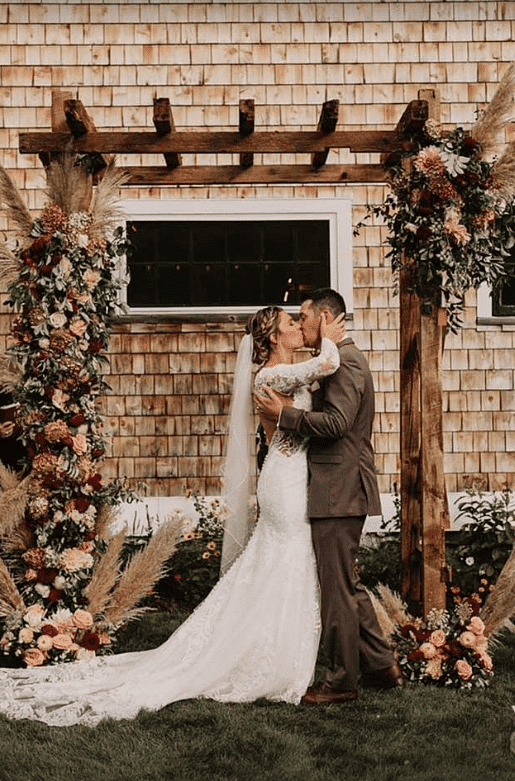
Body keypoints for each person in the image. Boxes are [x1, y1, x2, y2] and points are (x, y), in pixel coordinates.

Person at [0, 305, 345, 727]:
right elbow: (329, 361)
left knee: (283, 562)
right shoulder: (270, 376)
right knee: (288, 558)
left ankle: (274, 649)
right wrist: (330, 330)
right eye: (292, 324)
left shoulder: (293, 372)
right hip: (285, 482)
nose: (299, 326)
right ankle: (270, 660)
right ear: (273, 337)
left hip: (294, 477)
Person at [256, 289, 404, 705]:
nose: (300, 325)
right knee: (346, 583)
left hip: (338, 488)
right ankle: (381, 665)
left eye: (304, 318)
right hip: (331, 486)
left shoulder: (346, 361)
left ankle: (341, 682)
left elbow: (338, 423)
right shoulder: (333, 358)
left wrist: (283, 416)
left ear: (324, 317)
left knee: (336, 588)